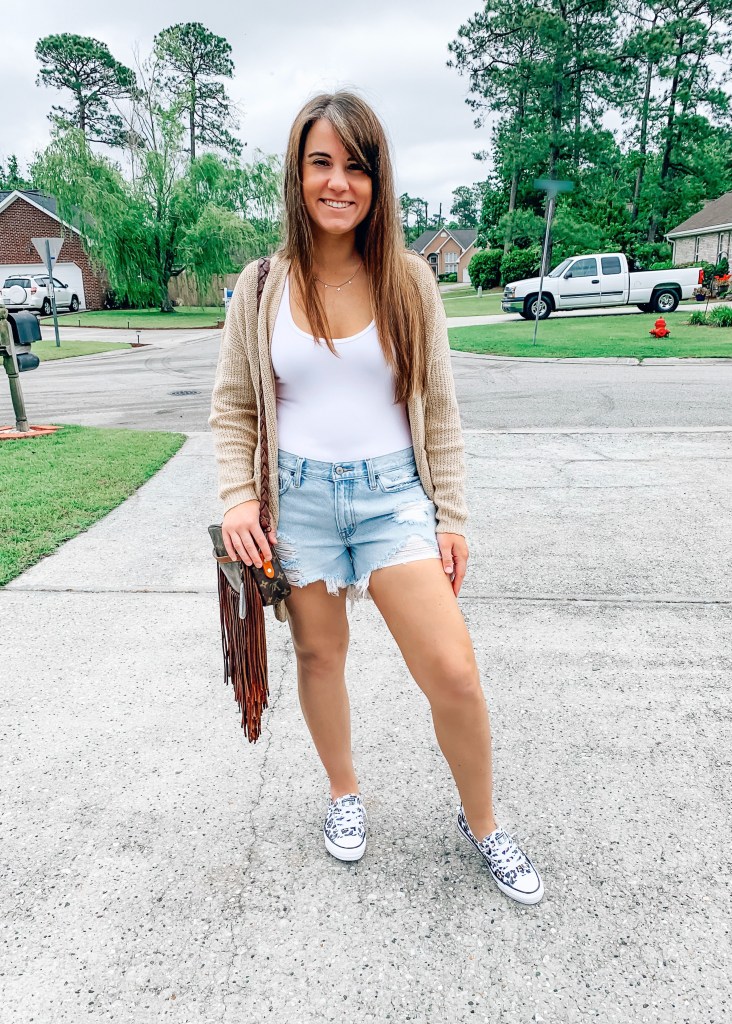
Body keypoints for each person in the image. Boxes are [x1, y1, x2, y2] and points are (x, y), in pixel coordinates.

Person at [209, 91, 543, 906]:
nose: (338, 182)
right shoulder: (261, 286)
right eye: (321, 162)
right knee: (320, 656)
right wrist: (238, 497)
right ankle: (344, 793)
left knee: (453, 672)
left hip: (395, 500)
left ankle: (483, 822)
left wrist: (452, 517)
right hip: (298, 503)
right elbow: (235, 406)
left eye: (356, 166)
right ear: (297, 174)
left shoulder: (410, 279)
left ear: (377, 180)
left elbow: (441, 408)